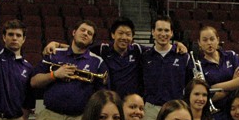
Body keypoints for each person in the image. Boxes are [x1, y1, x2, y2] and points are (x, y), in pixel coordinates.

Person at [43, 17, 187, 100]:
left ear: (132, 37)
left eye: (128, 34)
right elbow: (80, 47)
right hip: (111, 102)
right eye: (120, 33)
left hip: (131, 103)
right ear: (113, 35)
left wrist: (176, 45)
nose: (124, 37)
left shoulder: (137, 50)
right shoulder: (102, 49)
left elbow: (161, 48)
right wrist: (57, 44)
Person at [141, 16, 193, 120]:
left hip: (175, 109)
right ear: (153, 32)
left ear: (172, 33)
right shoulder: (145, 56)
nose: (163, 34)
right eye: (159, 30)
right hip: (151, 110)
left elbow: (190, 84)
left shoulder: (183, 56)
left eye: (166, 30)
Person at [195, 26, 239, 120]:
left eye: (212, 39)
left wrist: (216, 87)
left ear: (218, 40)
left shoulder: (231, 56)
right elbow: (210, 97)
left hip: (237, 112)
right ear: (199, 43)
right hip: (217, 116)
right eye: (205, 40)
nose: (209, 43)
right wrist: (233, 83)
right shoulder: (199, 66)